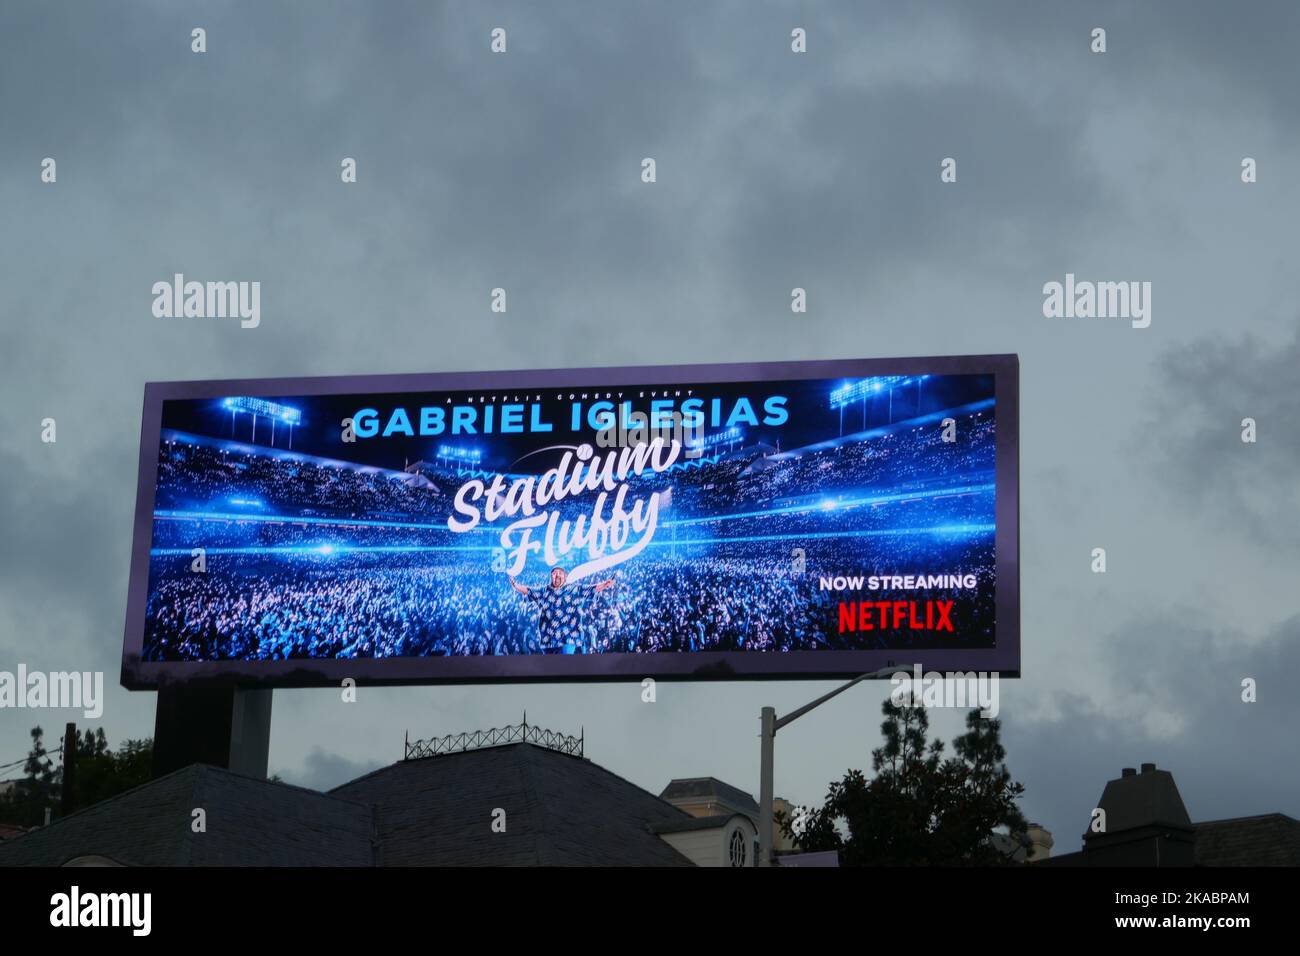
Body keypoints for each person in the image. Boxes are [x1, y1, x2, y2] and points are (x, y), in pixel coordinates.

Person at [509, 567, 615, 653]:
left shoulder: (575, 589)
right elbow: (528, 591)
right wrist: (515, 585)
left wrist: (605, 584)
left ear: (565, 577)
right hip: (548, 640)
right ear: (551, 577)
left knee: (565, 665)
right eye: (554, 573)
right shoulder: (543, 591)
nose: (557, 575)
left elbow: (592, 588)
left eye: (560, 573)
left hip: (568, 638)